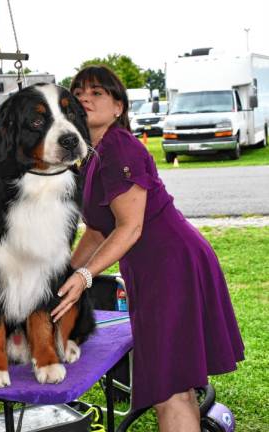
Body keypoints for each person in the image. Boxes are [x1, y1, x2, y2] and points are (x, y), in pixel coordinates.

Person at [51, 65, 244, 431]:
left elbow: (130, 227)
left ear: (118, 107)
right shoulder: (94, 154)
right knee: (171, 384)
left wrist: (85, 276)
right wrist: (61, 277)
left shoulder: (120, 147)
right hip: (153, 269)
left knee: (169, 387)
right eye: (78, 94)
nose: (85, 99)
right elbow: (96, 231)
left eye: (97, 93)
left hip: (172, 267)